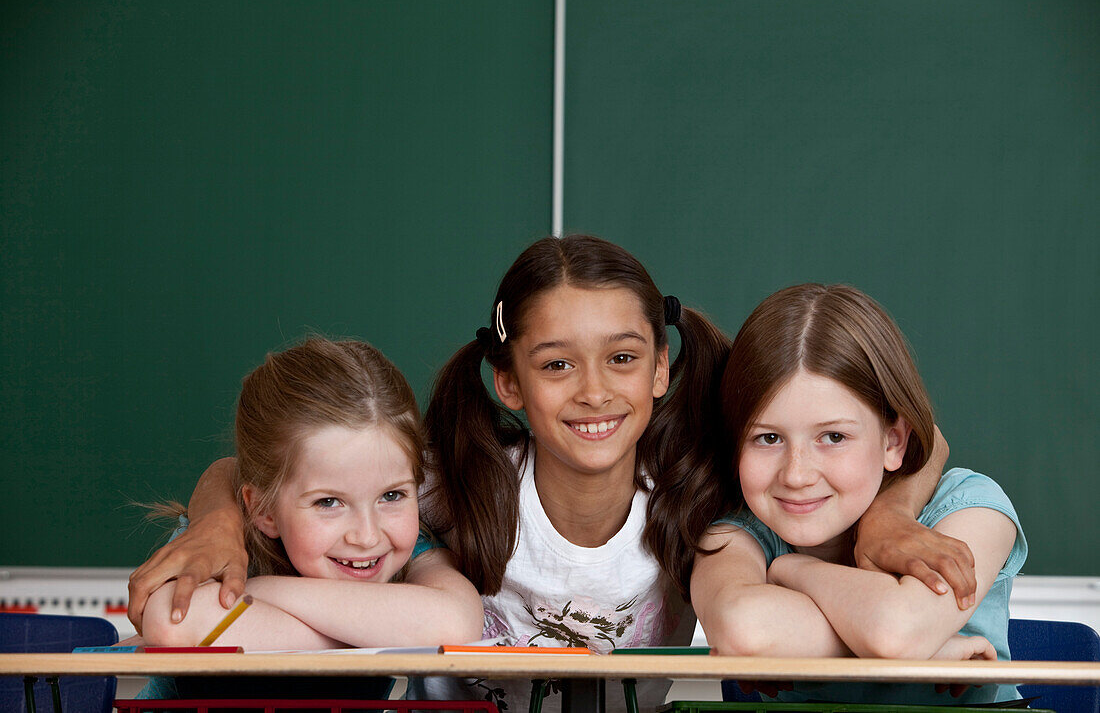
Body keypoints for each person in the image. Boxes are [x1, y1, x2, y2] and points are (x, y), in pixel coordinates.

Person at [127, 237, 976, 712]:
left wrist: (888, 522)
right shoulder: (458, 477)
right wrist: (215, 523)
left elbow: (922, 442)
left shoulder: (704, 479)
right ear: (509, 383)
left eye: (623, 358)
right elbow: (254, 472)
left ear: (660, 372)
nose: (596, 389)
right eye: (557, 364)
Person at [687, 284, 1026, 706]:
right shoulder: (732, 536)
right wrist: (929, 653)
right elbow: (745, 629)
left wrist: (792, 569)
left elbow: (896, 632)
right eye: (768, 437)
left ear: (892, 441)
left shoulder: (971, 507)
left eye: (833, 436)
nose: (796, 474)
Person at [136, 338, 483, 699]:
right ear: (264, 510)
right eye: (329, 502)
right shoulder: (224, 548)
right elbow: (169, 622)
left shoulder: (413, 551)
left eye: (392, 495)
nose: (366, 536)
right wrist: (382, 631)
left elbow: (457, 625)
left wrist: (264, 593)